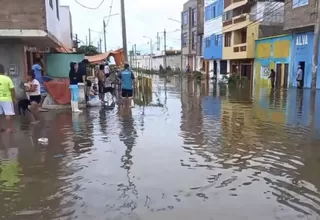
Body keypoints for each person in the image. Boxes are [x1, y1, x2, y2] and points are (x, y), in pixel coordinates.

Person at [0, 64, 16, 133]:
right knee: (8, 114)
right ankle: (9, 129)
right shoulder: (7, 78)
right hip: (6, 99)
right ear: (3, 70)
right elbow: (12, 90)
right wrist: (14, 98)